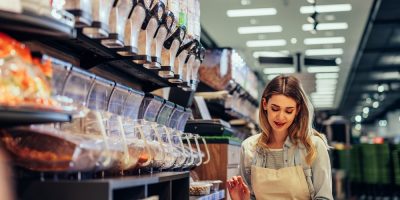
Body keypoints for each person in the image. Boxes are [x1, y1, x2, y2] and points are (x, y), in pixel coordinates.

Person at [227, 75, 333, 200]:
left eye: (288, 111)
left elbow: (324, 197)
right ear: (265, 104)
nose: (280, 117)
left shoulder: (313, 146)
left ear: (297, 110)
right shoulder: (249, 148)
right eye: (275, 109)